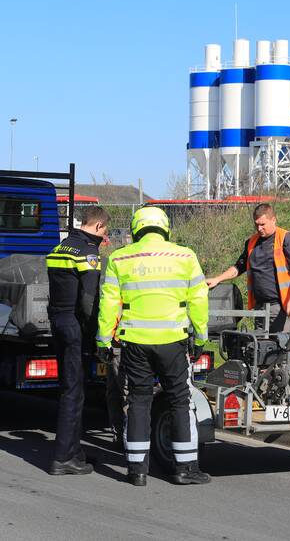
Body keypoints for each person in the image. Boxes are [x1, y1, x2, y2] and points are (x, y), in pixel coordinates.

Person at [96, 206, 210, 487]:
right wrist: (201, 338)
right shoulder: (185, 256)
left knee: (138, 401)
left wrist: (103, 340)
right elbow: (199, 298)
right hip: (172, 341)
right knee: (180, 401)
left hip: (135, 342)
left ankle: (136, 471)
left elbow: (109, 303)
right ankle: (184, 469)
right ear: (165, 228)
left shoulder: (120, 258)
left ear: (136, 230)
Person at [45, 206, 111, 476]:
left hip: (58, 322)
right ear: (97, 227)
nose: (105, 237)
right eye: (105, 231)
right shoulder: (88, 252)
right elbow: (88, 300)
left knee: (69, 389)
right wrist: (95, 333)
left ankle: (74, 451)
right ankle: (63, 458)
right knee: (74, 392)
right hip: (74, 327)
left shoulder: (59, 249)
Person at [205, 203, 290, 333]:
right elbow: (239, 267)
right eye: (256, 224)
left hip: (282, 306)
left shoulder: (286, 239)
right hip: (260, 308)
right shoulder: (252, 242)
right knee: (261, 349)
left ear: (273, 220)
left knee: (283, 348)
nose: (259, 228)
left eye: (263, 224)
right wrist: (218, 279)